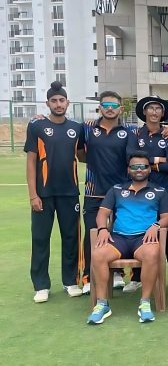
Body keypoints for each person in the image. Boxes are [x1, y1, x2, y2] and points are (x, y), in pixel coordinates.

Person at [86, 151, 168, 324]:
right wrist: (103, 228)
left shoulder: (160, 191)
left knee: (151, 252)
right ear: (128, 170)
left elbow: (167, 217)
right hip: (118, 238)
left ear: (150, 169)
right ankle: (102, 304)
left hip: (143, 239)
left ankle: (145, 303)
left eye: (143, 167)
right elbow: (103, 213)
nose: (139, 170)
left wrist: (156, 226)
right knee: (98, 254)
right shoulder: (117, 190)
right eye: (134, 167)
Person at [25, 81, 85, 302]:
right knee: (40, 238)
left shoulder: (77, 128)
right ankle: (41, 285)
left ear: (67, 102)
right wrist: (33, 194)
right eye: (54, 101)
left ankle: (70, 281)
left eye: (61, 100)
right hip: (43, 194)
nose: (58, 104)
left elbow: (83, 155)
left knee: (71, 238)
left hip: (70, 193)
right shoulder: (37, 126)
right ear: (47, 103)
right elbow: (31, 162)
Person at [80, 91, 137, 294]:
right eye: (106, 105)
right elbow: (80, 154)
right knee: (92, 235)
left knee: (118, 234)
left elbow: (134, 157)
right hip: (94, 191)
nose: (110, 109)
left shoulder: (130, 129)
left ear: (120, 108)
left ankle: (118, 275)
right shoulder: (87, 128)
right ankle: (88, 278)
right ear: (100, 107)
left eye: (114, 105)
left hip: (122, 192)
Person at [128, 95, 168, 293]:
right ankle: (136, 277)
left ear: (162, 113)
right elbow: (131, 159)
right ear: (145, 112)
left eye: (158, 108)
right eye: (151, 108)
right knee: (140, 229)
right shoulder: (135, 134)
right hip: (140, 191)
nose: (155, 112)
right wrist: (158, 160)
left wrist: (146, 163)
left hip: (164, 190)